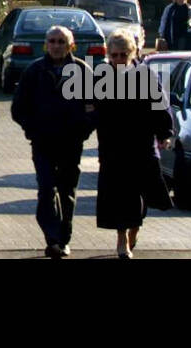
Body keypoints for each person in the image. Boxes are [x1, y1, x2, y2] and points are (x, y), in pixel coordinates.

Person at [10, 25, 94, 259]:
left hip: (71, 143)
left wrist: (83, 129)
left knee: (67, 192)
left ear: (70, 45)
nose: (56, 46)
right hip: (43, 143)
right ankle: (52, 238)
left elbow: (93, 107)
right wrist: (32, 129)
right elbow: (18, 108)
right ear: (46, 44)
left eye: (61, 41)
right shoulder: (34, 71)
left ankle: (63, 240)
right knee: (47, 189)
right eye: (52, 41)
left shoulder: (82, 70)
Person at [94, 30, 174, 258]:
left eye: (123, 55)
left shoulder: (145, 76)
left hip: (142, 145)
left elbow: (161, 105)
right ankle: (121, 241)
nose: (118, 60)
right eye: (114, 55)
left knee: (142, 193)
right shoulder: (101, 77)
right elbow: (91, 109)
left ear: (131, 54)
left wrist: (165, 133)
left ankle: (134, 230)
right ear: (109, 55)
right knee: (121, 195)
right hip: (113, 146)